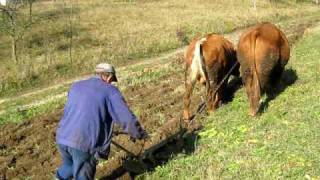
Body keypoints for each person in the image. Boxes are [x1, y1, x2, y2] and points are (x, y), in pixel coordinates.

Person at [55, 63, 147, 180]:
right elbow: (126, 118)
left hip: (62, 137)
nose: (111, 82)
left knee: (69, 166)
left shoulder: (76, 86)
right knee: (83, 173)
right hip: (84, 142)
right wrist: (138, 133)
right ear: (108, 77)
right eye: (112, 80)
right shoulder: (110, 91)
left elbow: (82, 111)